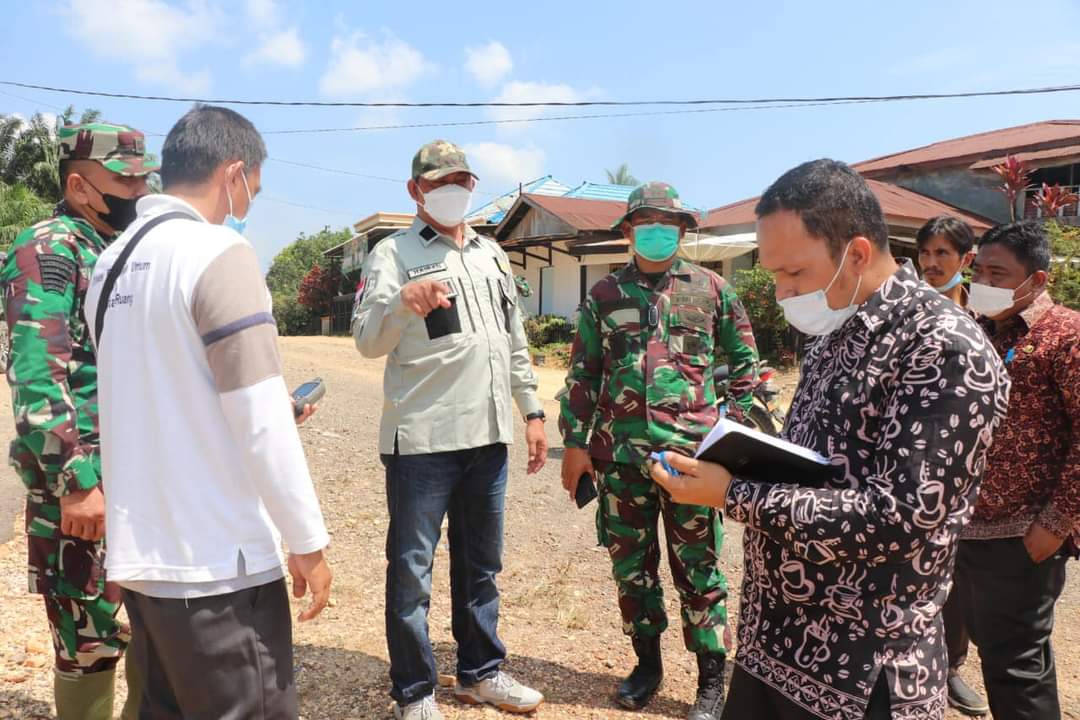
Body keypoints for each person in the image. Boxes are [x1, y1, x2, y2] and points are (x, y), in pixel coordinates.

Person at [649, 159, 1010, 720]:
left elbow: (904, 516)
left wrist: (733, 495)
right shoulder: (834, 332)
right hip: (774, 644)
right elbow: (819, 467)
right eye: (773, 274)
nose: (781, 291)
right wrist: (733, 463)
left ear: (857, 253)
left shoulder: (943, 347)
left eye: (793, 272)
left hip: (861, 670)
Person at [84, 105, 332, 719]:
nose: (249, 202)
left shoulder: (109, 264)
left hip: (144, 560)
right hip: (219, 566)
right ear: (234, 172)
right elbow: (259, 419)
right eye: (254, 187)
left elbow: (152, 391)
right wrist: (307, 541)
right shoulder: (217, 253)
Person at [353, 140, 548, 720]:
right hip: (423, 442)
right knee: (412, 573)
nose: (453, 189)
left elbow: (513, 342)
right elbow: (366, 342)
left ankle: (480, 673)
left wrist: (533, 412)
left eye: (462, 179)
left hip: (488, 437)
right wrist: (401, 305)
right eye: (440, 182)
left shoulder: (492, 254)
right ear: (416, 191)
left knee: (482, 565)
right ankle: (414, 692)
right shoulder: (392, 254)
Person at [558, 181, 758, 719]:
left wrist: (728, 440)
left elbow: (747, 374)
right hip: (621, 460)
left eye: (666, 223)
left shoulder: (714, 290)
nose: (656, 231)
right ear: (628, 231)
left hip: (693, 463)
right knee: (632, 570)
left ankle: (711, 681)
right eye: (645, 222)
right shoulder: (604, 296)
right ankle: (647, 665)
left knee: (699, 569)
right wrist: (575, 444)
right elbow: (583, 374)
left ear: (683, 230)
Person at [0, 122, 156, 720]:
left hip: (138, 479)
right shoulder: (49, 248)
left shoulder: (120, 248)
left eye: (144, 177)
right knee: (89, 638)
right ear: (80, 185)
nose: (138, 190)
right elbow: (38, 377)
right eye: (126, 179)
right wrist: (75, 481)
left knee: (147, 621)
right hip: (84, 486)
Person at [957, 219, 1079, 720]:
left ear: (1038, 280)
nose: (982, 284)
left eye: (998, 274)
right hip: (965, 527)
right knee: (990, 651)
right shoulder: (977, 329)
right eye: (979, 271)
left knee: (1016, 666)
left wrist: (1055, 523)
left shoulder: (1066, 336)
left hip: (1024, 534)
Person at [914, 214, 986, 716]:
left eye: (944, 254)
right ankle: (929, 668)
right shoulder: (907, 314)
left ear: (966, 259)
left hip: (975, 469)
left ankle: (953, 667)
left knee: (960, 579)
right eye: (927, 253)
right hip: (917, 464)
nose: (933, 263)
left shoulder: (987, 317)